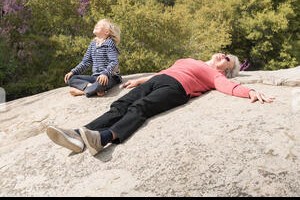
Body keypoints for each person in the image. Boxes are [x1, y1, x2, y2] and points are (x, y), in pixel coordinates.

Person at [46, 53, 275, 155]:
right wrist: (141, 80)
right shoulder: (189, 59)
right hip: (158, 80)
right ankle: (77, 136)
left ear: (228, 69)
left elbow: (229, 88)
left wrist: (251, 91)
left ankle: (103, 138)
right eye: (224, 53)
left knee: (140, 109)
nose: (223, 56)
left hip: (177, 89)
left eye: (228, 60)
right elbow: (166, 71)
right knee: (119, 105)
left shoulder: (215, 75)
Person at [64, 19, 122, 98]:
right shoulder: (92, 45)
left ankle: (83, 91)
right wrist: (73, 71)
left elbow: (114, 61)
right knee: (70, 79)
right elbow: (85, 62)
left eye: (100, 25)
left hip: (110, 77)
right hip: (95, 77)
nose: (96, 25)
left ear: (107, 32)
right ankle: (90, 88)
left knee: (101, 84)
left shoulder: (109, 43)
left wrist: (105, 74)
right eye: (96, 24)